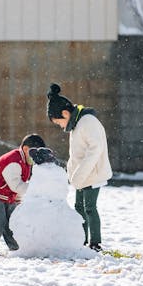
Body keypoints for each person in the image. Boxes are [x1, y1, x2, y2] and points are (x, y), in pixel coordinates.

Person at [46, 83, 112, 251]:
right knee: (79, 208)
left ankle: (95, 243)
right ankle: (80, 240)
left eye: (59, 122)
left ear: (65, 113)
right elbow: (77, 154)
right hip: (81, 176)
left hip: (92, 174)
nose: (60, 126)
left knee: (89, 208)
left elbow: (94, 150)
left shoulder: (87, 122)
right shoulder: (77, 124)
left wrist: (79, 175)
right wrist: (72, 172)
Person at [0, 133, 46, 257]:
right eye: (34, 154)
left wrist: (17, 198)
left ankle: (15, 248)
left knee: (12, 221)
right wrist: (36, 189)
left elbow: (19, 184)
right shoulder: (14, 161)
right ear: (26, 149)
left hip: (8, 193)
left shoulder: (26, 160)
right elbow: (16, 185)